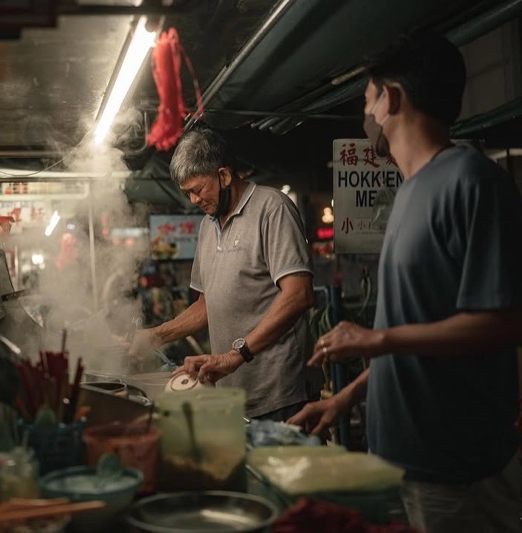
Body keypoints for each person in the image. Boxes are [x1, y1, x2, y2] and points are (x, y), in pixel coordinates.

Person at [287, 33, 522, 533]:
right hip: (400, 457)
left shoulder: (472, 181)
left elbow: (503, 323)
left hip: (456, 466)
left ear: (391, 99)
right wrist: (347, 397)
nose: (366, 116)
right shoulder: (411, 191)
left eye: (367, 101)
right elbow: (414, 331)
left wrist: (374, 339)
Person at [130, 126, 321, 421]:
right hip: (231, 393)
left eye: (197, 189)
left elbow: (299, 295)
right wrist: (156, 335)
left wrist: (235, 356)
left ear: (224, 176)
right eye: (187, 193)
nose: (193, 200)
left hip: (280, 393)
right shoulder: (208, 225)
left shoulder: (272, 209)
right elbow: (206, 305)